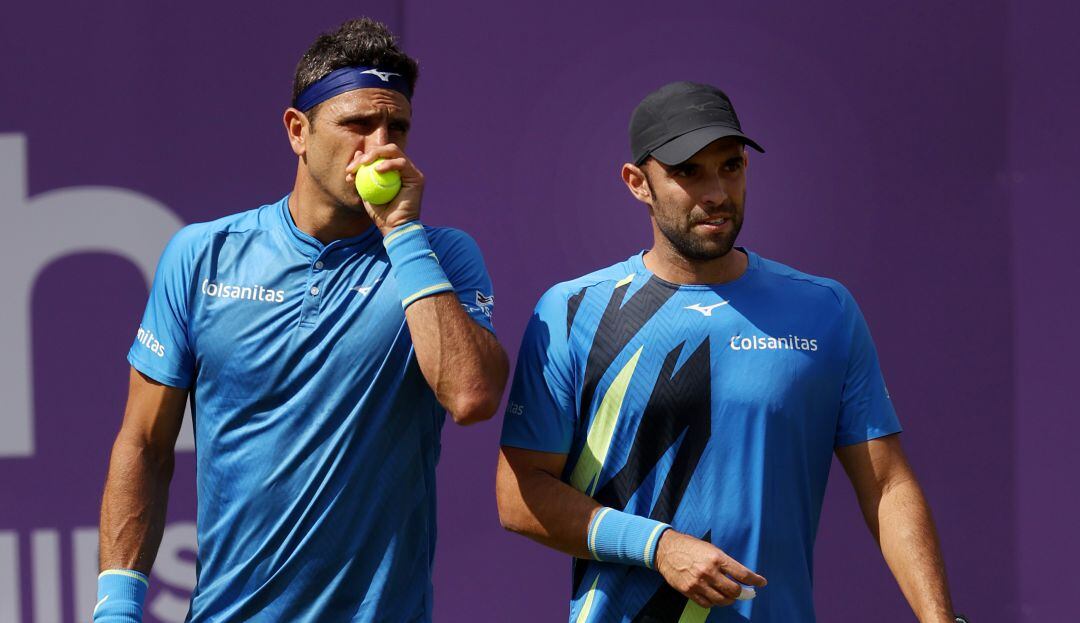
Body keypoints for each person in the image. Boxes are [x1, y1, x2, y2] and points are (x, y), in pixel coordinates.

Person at [495, 81, 964, 622]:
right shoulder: (572, 312)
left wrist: (940, 619)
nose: (716, 191)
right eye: (688, 172)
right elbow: (520, 494)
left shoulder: (825, 310)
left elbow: (886, 485)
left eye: (731, 166)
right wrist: (659, 546)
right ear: (637, 183)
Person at [95, 17, 508, 622]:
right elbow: (144, 443)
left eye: (397, 127)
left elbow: (471, 396)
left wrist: (401, 232)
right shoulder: (201, 253)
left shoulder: (440, 256)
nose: (379, 147)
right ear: (298, 131)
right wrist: (117, 606)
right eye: (356, 125)